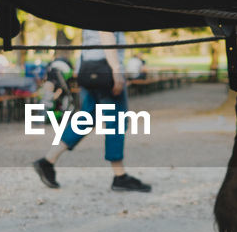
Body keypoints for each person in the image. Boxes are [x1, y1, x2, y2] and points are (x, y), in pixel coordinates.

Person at [33, 30, 151, 192]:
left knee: (86, 119)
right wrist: (116, 70)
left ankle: (48, 160)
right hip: (104, 69)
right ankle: (119, 175)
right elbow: (106, 32)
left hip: (88, 67)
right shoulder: (108, 4)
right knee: (116, 121)